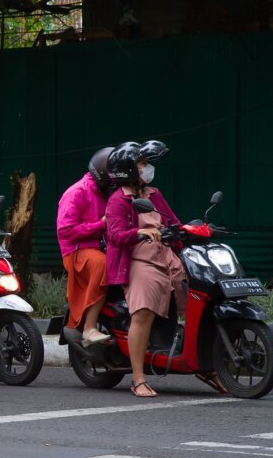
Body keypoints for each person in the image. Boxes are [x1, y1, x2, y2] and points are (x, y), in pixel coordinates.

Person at [105, 140, 184, 398]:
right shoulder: (118, 200)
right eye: (142, 164)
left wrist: (188, 231)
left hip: (166, 258)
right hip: (139, 261)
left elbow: (173, 221)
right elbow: (116, 235)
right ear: (128, 169)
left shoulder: (154, 194)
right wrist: (140, 232)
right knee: (143, 313)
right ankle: (138, 378)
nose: (147, 168)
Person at [56, 147, 113, 346]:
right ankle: (89, 327)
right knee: (102, 264)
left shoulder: (105, 193)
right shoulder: (77, 192)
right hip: (76, 251)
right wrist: (101, 224)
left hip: (100, 247)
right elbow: (66, 231)